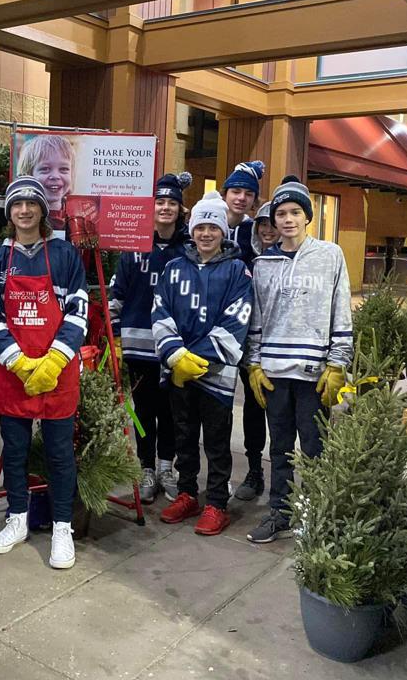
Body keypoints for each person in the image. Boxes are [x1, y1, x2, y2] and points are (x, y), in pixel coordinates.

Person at [0, 176, 88, 569]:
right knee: (15, 451)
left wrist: (54, 360)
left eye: (31, 204)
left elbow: (78, 310)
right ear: (9, 213)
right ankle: (17, 519)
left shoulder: (65, 255)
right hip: (14, 373)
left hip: (58, 373)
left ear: (42, 210)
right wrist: (19, 362)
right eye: (17, 205)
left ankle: (62, 527)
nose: (24, 211)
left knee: (59, 454)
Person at [245, 176, 352, 543]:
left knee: (314, 446)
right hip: (274, 371)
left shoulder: (330, 255)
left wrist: (337, 363)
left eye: (295, 212)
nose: (288, 219)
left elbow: (341, 311)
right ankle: (281, 512)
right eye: (281, 214)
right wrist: (254, 364)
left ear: (307, 216)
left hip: (314, 373)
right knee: (279, 448)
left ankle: (317, 512)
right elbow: (256, 319)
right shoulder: (263, 264)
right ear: (273, 219)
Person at [151, 192, 253, 535]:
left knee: (217, 441)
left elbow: (237, 319)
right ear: (192, 229)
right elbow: (160, 311)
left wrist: (198, 356)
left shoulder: (238, 271)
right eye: (200, 227)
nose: (206, 233)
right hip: (179, 372)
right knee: (183, 436)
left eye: (213, 227)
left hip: (217, 376)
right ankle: (187, 494)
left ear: (223, 231)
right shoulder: (173, 268)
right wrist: (175, 354)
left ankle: (217, 503)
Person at [108, 171, 191, 503]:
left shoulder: (188, 251)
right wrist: (116, 338)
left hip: (174, 349)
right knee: (143, 411)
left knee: (171, 411)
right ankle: (146, 467)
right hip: (138, 347)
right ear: (151, 207)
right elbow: (117, 296)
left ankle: (166, 467)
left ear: (180, 209)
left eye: (172, 202)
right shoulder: (133, 247)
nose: (166, 207)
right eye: (160, 202)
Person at [220, 159, 269, 503]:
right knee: (218, 404)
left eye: (247, 193)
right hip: (219, 333)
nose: (241, 197)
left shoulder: (258, 232)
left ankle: (255, 469)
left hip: (254, 335)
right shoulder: (210, 225)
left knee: (254, 403)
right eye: (235, 191)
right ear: (225, 193)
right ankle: (217, 472)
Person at [232, 200, 278, 504]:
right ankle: (254, 470)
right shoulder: (248, 262)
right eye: (263, 224)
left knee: (281, 417)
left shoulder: (294, 261)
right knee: (252, 410)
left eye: (273, 224)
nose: (268, 230)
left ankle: (284, 479)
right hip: (250, 351)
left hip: (282, 352)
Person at [15, 134, 75, 231]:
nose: (55, 176)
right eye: (45, 169)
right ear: (29, 174)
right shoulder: (23, 217)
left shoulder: (78, 215)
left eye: (63, 169)